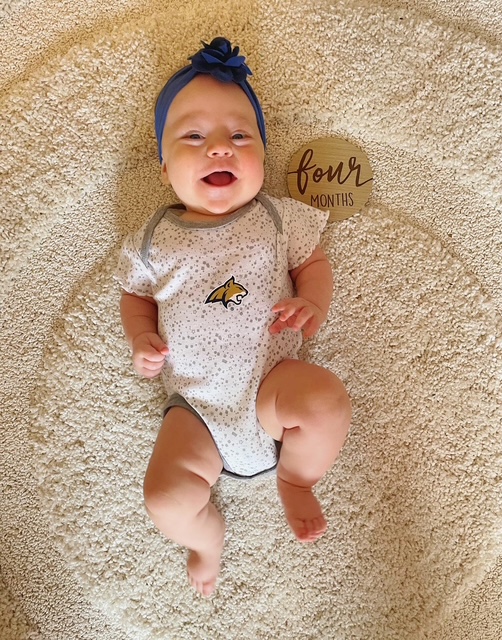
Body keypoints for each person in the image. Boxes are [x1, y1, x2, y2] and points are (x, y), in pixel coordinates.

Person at [115, 37, 351, 597]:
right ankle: (204, 539)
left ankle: (297, 477)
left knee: (325, 399)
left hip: (273, 384)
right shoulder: (153, 239)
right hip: (196, 409)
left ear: (262, 156)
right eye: (194, 137)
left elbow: (313, 262)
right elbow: (134, 295)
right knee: (164, 498)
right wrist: (141, 335)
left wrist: (312, 303)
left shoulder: (276, 218)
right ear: (164, 164)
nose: (220, 148)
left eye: (240, 137)